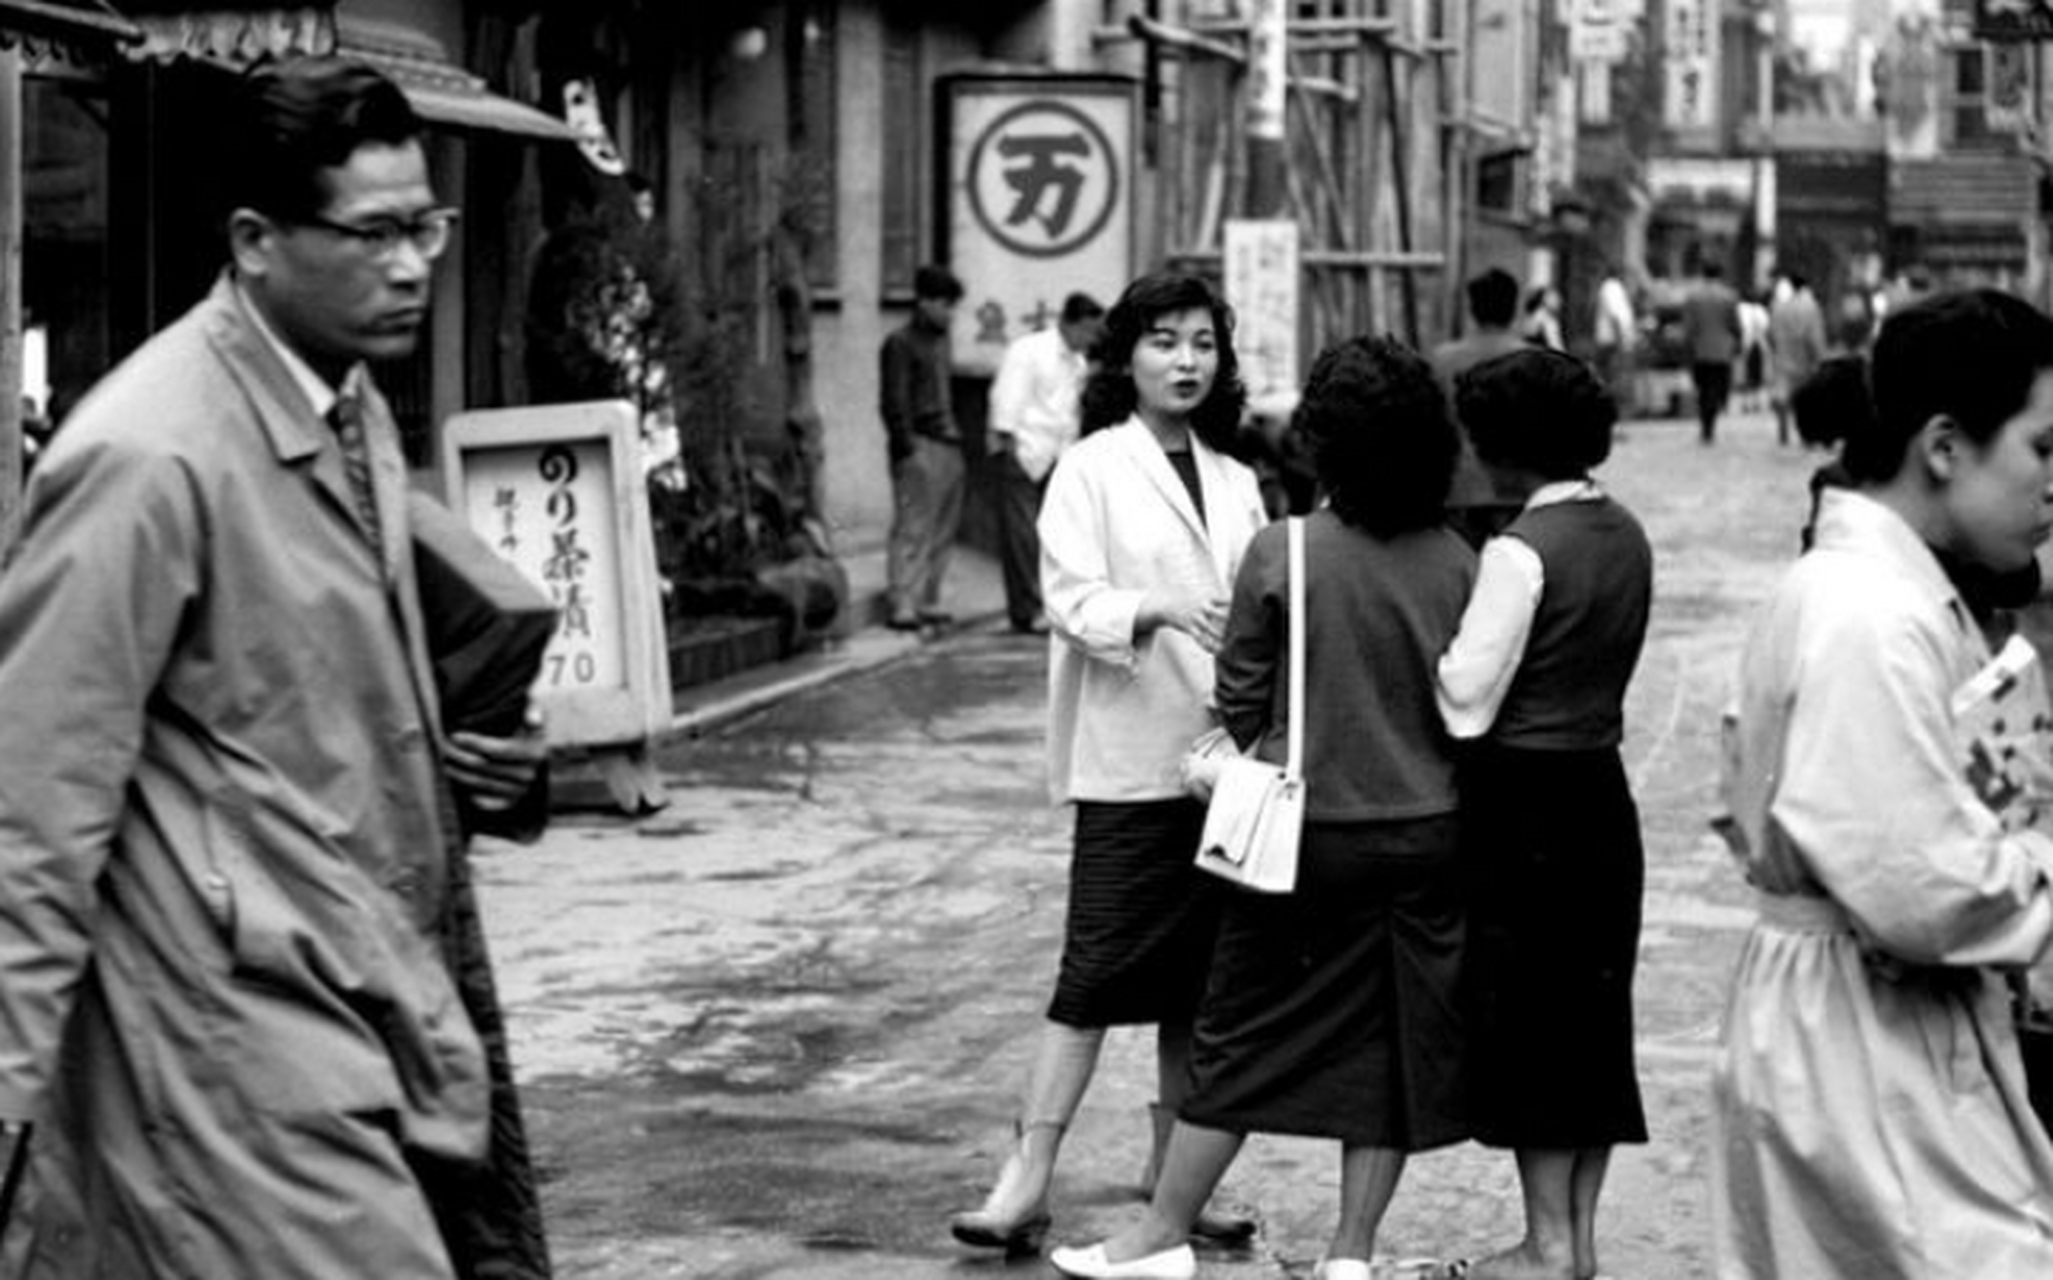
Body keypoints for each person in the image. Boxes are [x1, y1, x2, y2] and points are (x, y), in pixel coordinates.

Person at [0, 58, 550, 1278]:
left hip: (360, 995)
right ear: (254, 239)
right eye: (375, 234)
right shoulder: (148, 456)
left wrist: (494, 774)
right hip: (219, 1038)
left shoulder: (347, 405)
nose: (414, 265)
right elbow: (31, 806)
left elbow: (325, 708)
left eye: (428, 226)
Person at [1051, 336, 1478, 1280]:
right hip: (1424, 838)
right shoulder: (1457, 560)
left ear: (1323, 441)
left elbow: (1238, 701)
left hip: (1302, 843)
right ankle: (1350, 1255)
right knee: (1387, 1050)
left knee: (1236, 1036)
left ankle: (1160, 1235)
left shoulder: (1283, 551)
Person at [1713, 289, 2053, 1279]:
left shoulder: (1876, 589)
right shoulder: (1871, 613)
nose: (2051, 485)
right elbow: (1918, 883)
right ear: (1944, 446)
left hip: (1860, 1017)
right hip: (1866, 1029)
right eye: (2040, 449)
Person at [948, 271, 1269, 1260]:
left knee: (1199, 987)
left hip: (1224, 763)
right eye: (1164, 340)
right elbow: (1068, 599)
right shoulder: (1088, 467)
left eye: (1202, 342)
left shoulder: (1236, 477)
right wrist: (1159, 608)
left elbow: (1261, 607)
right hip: (1130, 760)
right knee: (1090, 975)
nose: (1185, 360)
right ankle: (1026, 1175)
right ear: (1124, 354)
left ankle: (1173, 1180)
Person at [1435, 349, 1653, 1280]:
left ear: (1507, 449)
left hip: (1521, 803)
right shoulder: (1626, 531)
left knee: (1529, 1021)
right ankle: (1579, 1240)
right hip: (1601, 793)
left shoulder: (1518, 550)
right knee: (1591, 1022)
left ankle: (1543, 1246)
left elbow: (1464, 697)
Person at [988, 292, 1106, 634]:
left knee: (1053, 536)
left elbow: (1069, 413)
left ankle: (1047, 604)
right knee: (1021, 536)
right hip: (1023, 450)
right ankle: (1026, 609)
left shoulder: (1078, 362)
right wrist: (1006, 444)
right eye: (1087, 330)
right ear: (1069, 323)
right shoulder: (1030, 351)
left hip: (1057, 454)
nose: (1090, 339)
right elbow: (1006, 399)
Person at [881, 263, 967, 630]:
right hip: (920, 441)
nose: (950, 312)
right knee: (913, 527)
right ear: (925, 302)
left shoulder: (940, 343)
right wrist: (906, 448)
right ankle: (903, 600)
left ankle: (929, 598)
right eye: (945, 304)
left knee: (943, 529)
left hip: (948, 442)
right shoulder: (900, 342)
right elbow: (893, 401)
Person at [1432, 268, 1529, 549]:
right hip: (1515, 488)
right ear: (1513, 308)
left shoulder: (1443, 361)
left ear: (1472, 309)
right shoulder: (1532, 360)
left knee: (1459, 579)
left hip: (1459, 488)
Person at [1680, 261, 1743, 444]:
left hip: (1700, 350)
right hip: (1723, 350)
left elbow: (1688, 327)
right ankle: (1711, 421)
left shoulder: (1693, 297)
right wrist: (1738, 342)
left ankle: (1706, 426)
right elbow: (1735, 325)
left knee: (1703, 388)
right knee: (1717, 387)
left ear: (1703, 274)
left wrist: (1687, 347)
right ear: (1720, 274)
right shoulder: (1729, 296)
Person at [1766, 271, 1829, 447]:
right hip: (1804, 357)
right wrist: (1820, 357)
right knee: (1806, 397)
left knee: (1783, 393)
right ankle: (1806, 434)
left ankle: (1783, 429)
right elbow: (1815, 335)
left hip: (1783, 355)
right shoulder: (1811, 307)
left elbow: (1770, 333)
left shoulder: (1779, 306)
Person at [1592, 268, 1637, 413]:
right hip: (1612, 341)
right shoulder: (1612, 287)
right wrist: (1622, 341)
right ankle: (1610, 416)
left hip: (1611, 340)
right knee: (1613, 380)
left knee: (1611, 379)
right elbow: (1616, 316)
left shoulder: (1612, 288)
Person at [1520, 285, 1564, 351]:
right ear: (1545, 299)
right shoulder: (1547, 319)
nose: (1559, 301)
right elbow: (1556, 347)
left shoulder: (1534, 315)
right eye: (1555, 298)